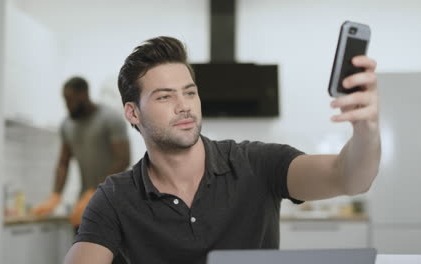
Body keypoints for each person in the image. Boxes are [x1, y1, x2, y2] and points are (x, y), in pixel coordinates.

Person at [64, 37, 381, 264]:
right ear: (133, 113)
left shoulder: (257, 163)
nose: (184, 106)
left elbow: (349, 177)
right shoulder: (115, 197)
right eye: (164, 97)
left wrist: (367, 127)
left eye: (190, 92)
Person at [31, 76, 131, 228]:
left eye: (70, 100)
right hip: (83, 205)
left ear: (84, 95)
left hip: (113, 202)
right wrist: (55, 195)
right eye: (65, 100)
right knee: (81, 249)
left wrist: (97, 192)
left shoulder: (110, 119)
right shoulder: (67, 125)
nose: (67, 106)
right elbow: (63, 162)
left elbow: (123, 159)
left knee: (113, 250)